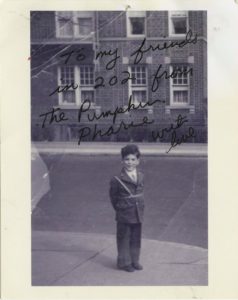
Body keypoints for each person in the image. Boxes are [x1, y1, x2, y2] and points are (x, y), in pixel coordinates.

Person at [109, 144, 145, 272]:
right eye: (127, 160)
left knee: (136, 237)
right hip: (124, 212)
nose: (130, 162)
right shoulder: (117, 179)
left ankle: (135, 260)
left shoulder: (141, 175)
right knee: (124, 238)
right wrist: (120, 209)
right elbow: (113, 198)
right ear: (122, 161)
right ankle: (124, 262)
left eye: (133, 159)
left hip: (138, 212)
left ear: (138, 161)